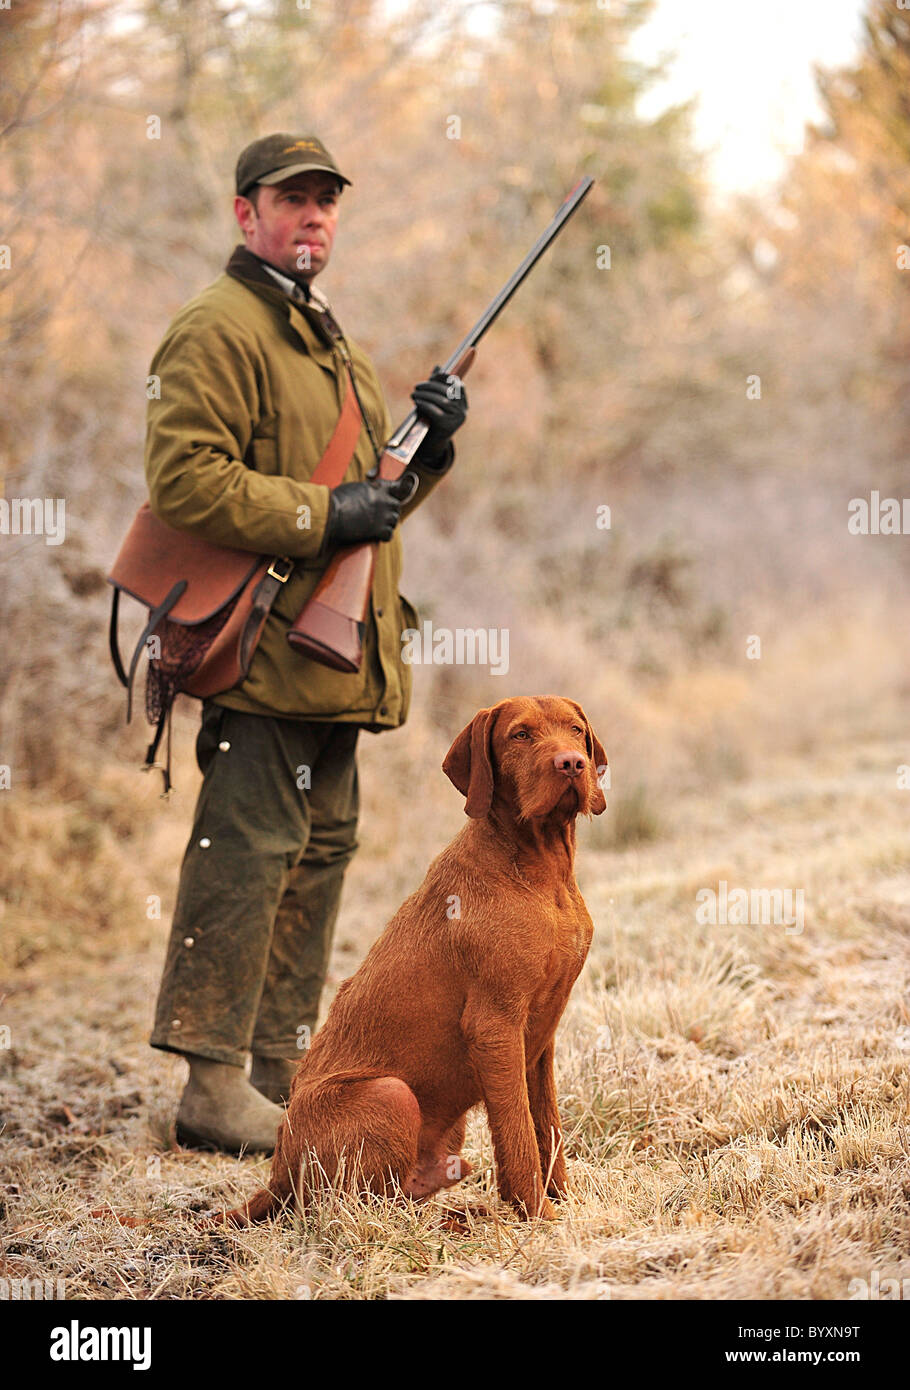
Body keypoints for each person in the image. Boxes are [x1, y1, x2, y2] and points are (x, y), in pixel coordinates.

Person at [145, 133, 467, 1153]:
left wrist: (433, 446)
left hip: (331, 661)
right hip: (263, 649)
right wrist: (324, 513)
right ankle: (210, 1084)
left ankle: (281, 1070)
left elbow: (374, 505)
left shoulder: (328, 340)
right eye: (293, 199)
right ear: (246, 215)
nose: (313, 215)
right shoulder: (219, 328)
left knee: (317, 855)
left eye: (326, 200)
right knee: (243, 854)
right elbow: (186, 479)